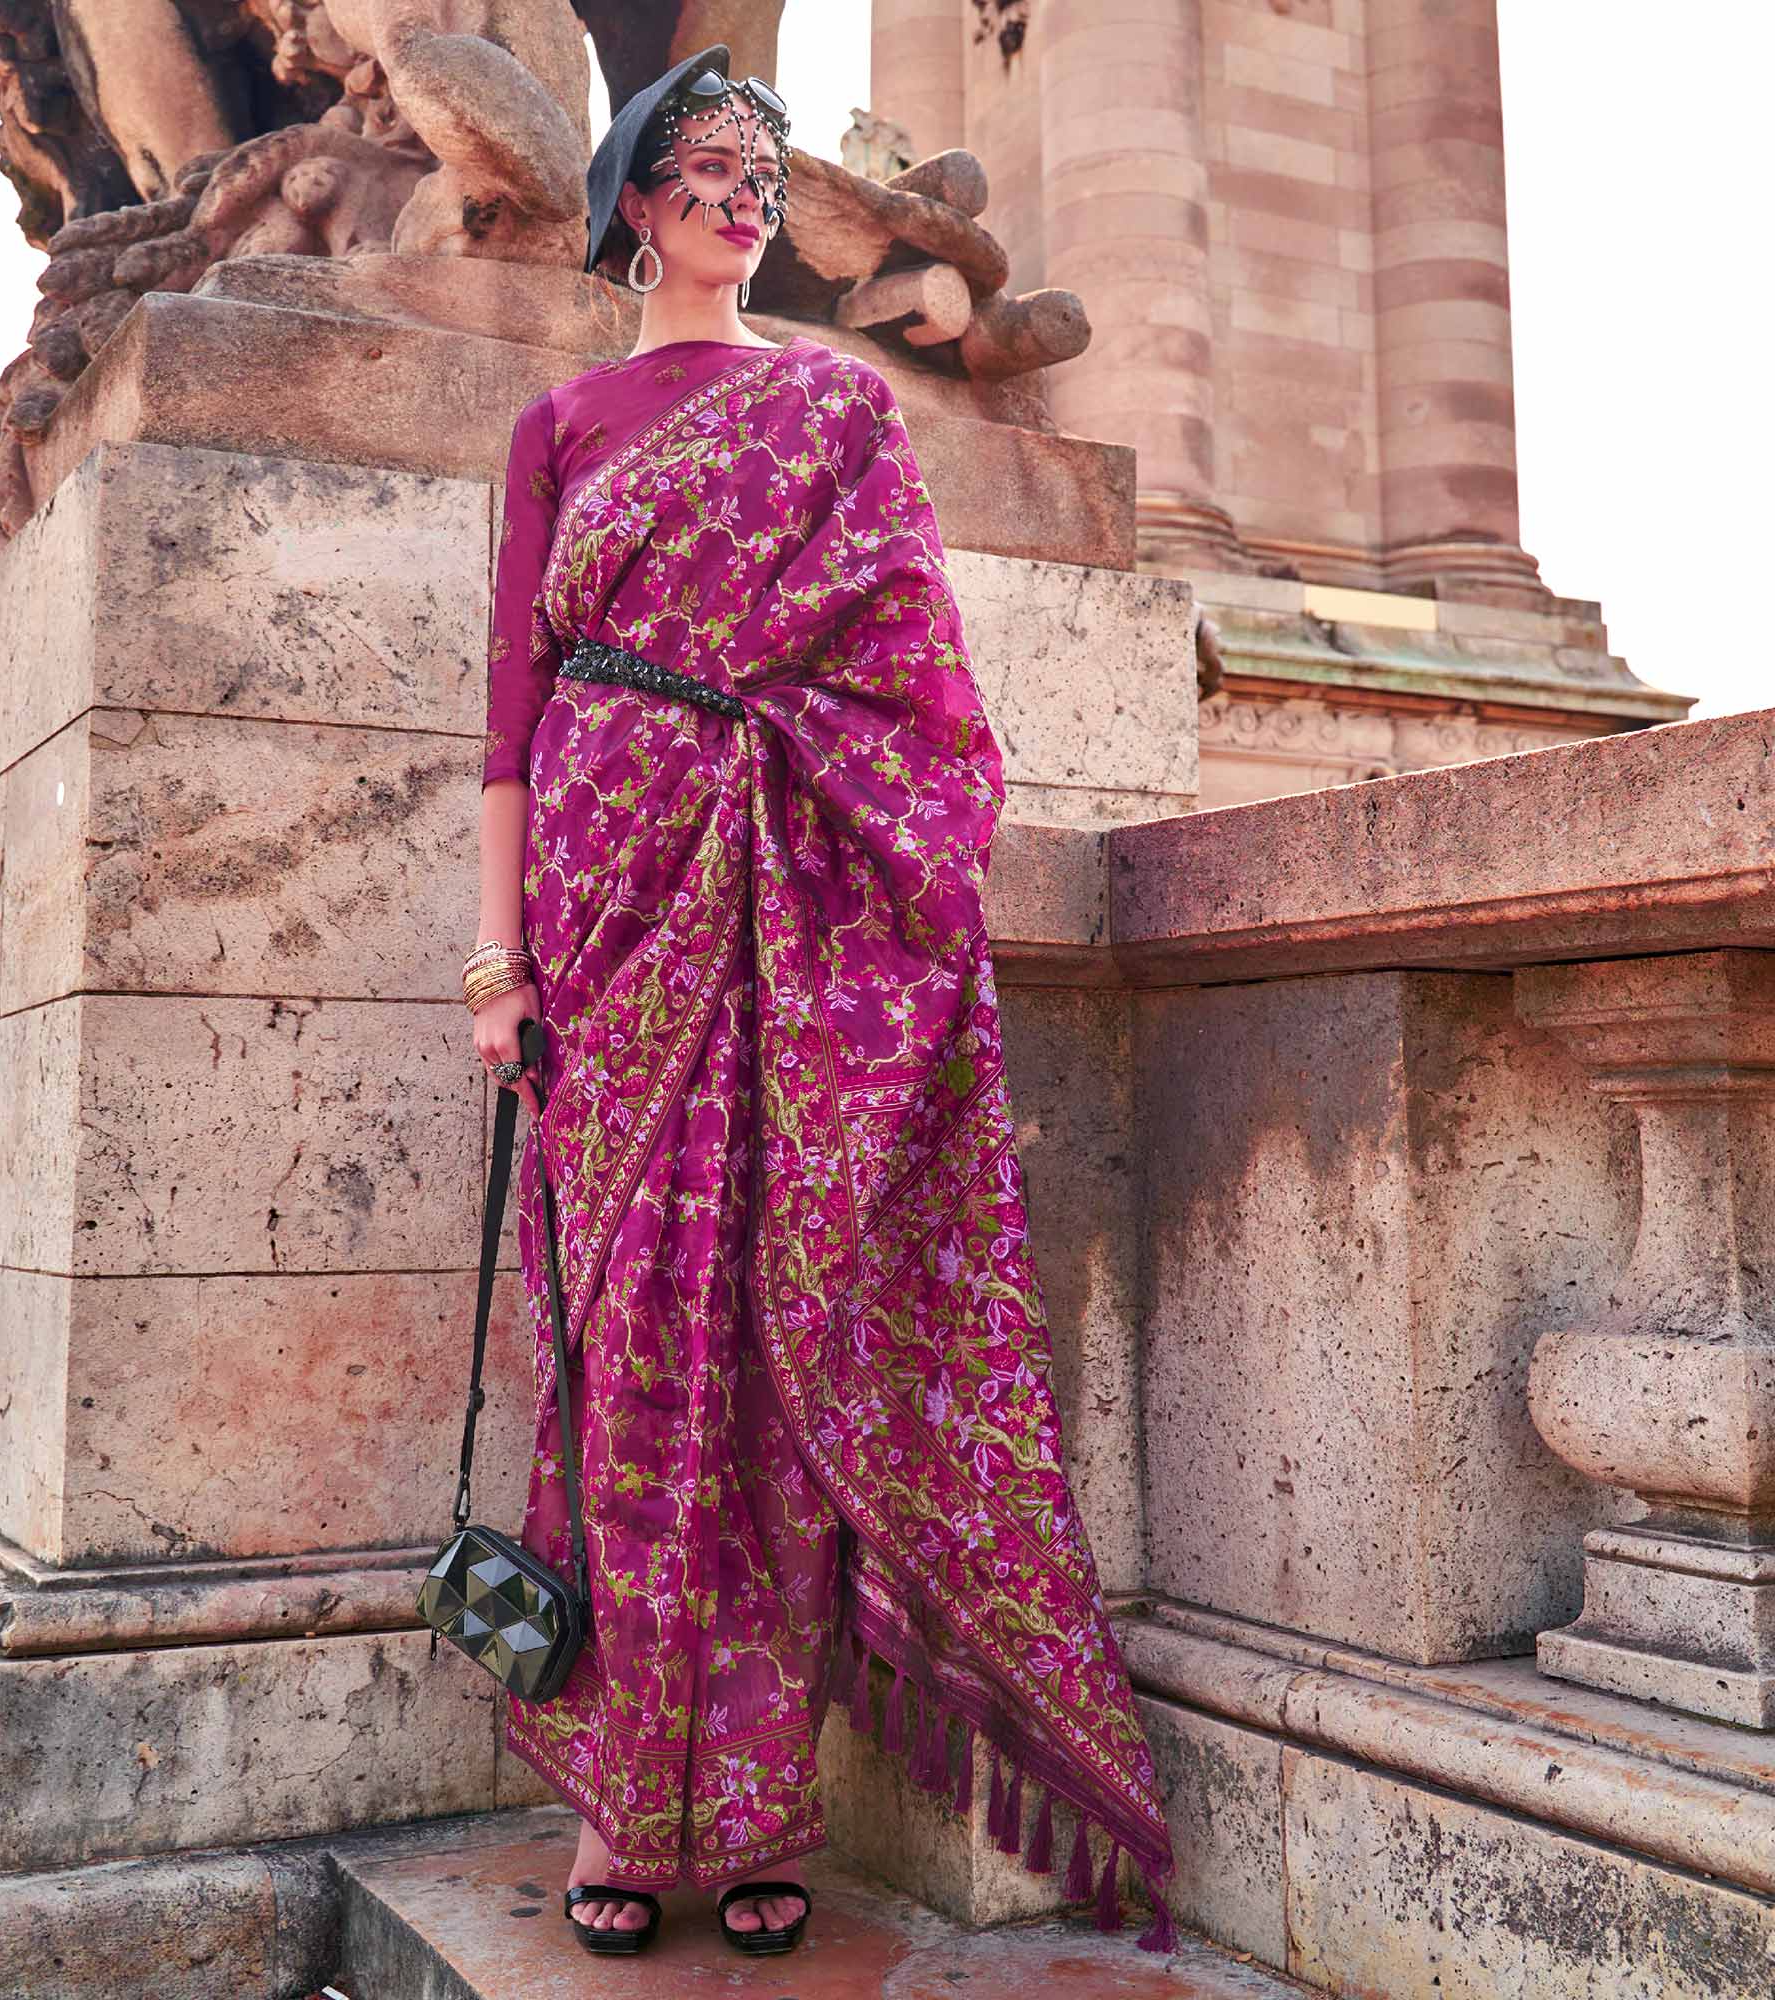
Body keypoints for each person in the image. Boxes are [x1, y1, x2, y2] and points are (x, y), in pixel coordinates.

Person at [465, 43, 1177, 1961]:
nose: (741, 197)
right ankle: (628, 1809)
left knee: (774, 1376)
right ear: (634, 202)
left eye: (760, 172)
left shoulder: (838, 416)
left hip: (789, 925)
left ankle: (761, 1812)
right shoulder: (565, 424)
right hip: (603, 923)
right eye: (703, 170)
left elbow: (920, 693)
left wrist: (869, 857)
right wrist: (495, 961)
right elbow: (514, 725)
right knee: (626, 1367)